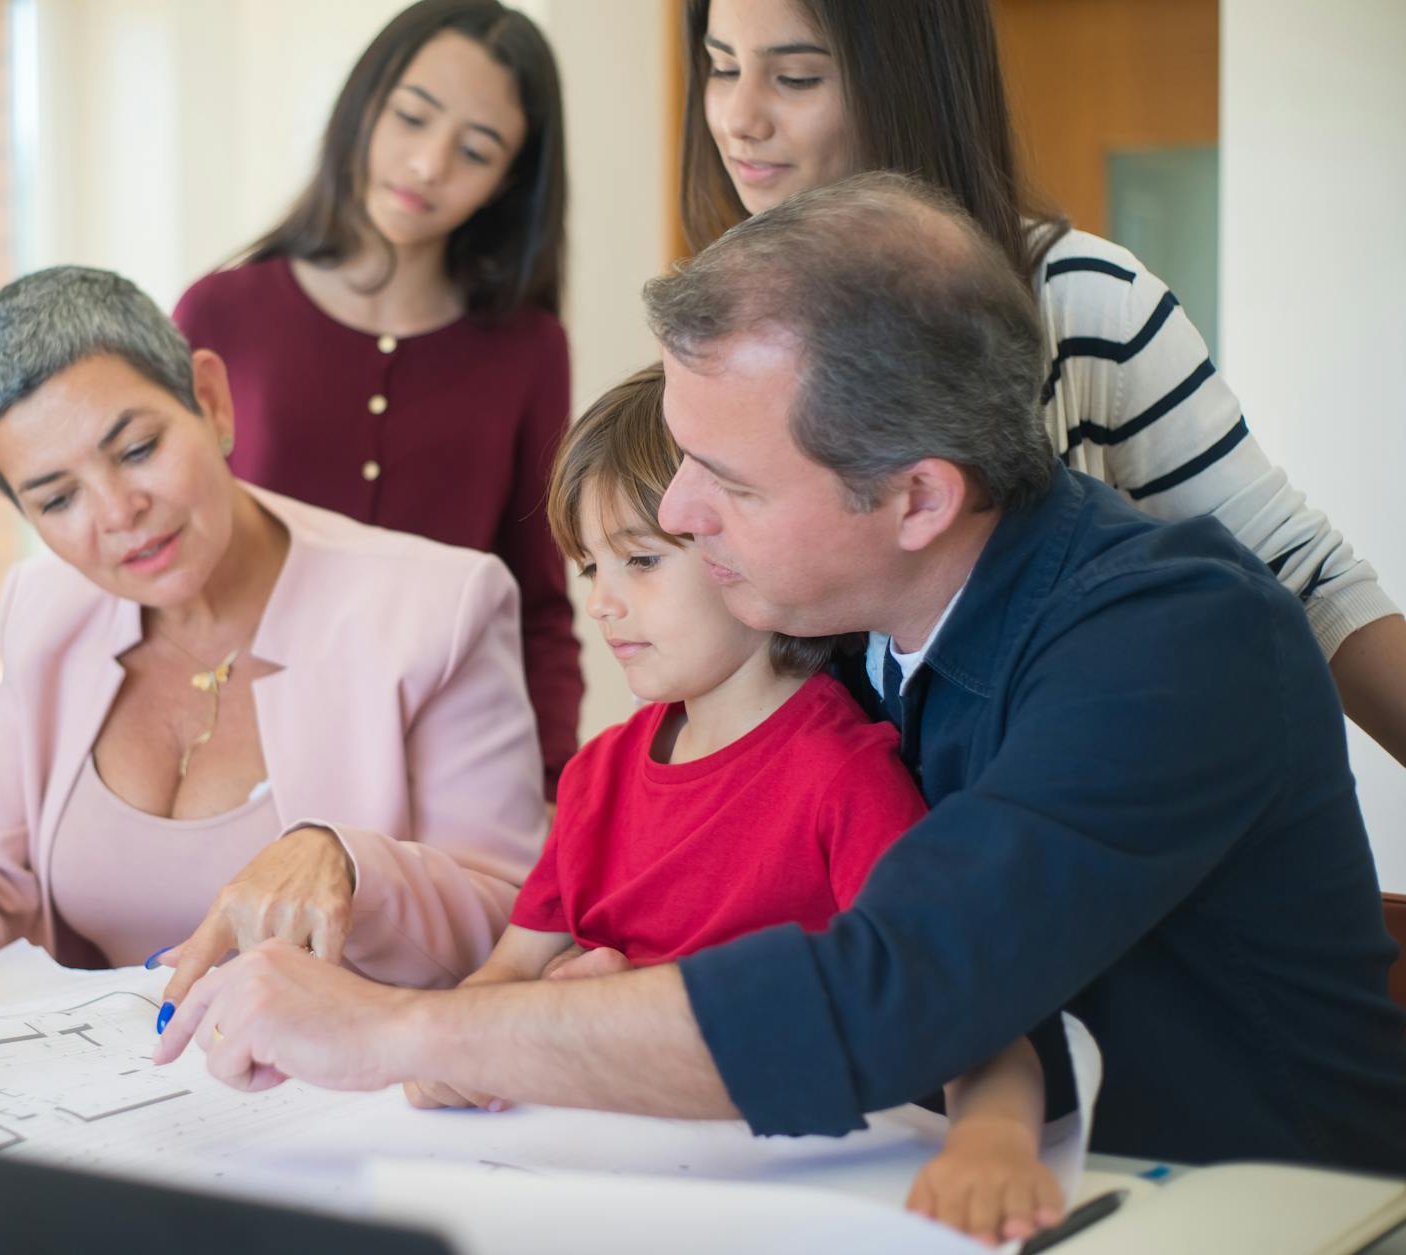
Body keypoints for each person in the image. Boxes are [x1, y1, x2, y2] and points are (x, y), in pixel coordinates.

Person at [151, 176, 1406, 1181]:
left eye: (729, 482)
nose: (684, 513)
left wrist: (387, 1030)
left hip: (1256, 1205)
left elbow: (888, 991)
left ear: (917, 495)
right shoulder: (850, 618)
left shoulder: (1169, 640)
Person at [0, 264, 548, 1077]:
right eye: (57, 496)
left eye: (137, 448)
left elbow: (510, 922)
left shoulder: (441, 604)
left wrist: (347, 860)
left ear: (211, 401)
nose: (119, 513)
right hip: (103, 1102)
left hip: (342, 1098)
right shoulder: (48, 607)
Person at [401, 366, 1059, 1244]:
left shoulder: (843, 776)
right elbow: (503, 977)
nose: (601, 602)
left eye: (640, 560)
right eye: (591, 566)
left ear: (738, 543)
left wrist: (991, 1143)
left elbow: (970, 1017)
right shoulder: (597, 776)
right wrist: (450, 1047)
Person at [675, 0, 1406, 768]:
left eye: (795, 77)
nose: (738, 117)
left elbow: (1303, 576)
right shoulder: (714, 333)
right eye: (722, 67)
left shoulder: (1082, 298)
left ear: (909, 86)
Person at [172, 0, 582, 795]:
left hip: (452, 759)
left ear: (509, 181)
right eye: (412, 117)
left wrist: (551, 784)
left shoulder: (527, 349)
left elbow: (537, 600)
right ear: (365, 105)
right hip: (238, 749)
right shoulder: (221, 312)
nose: (428, 164)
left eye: (476, 149)